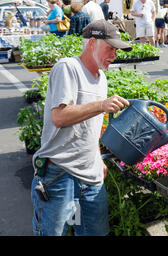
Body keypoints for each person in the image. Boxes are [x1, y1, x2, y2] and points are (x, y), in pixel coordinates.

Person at [31, 19, 132, 236]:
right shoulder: (69, 67)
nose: (114, 55)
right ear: (92, 43)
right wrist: (101, 105)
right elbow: (59, 116)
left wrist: (97, 158)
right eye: (111, 48)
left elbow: (91, 125)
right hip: (60, 174)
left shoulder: (101, 77)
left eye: (116, 50)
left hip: (91, 175)